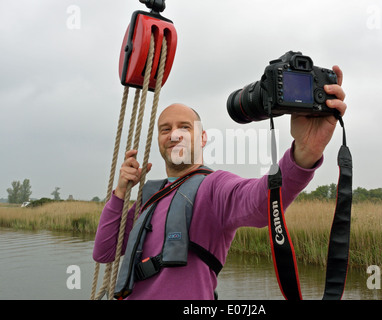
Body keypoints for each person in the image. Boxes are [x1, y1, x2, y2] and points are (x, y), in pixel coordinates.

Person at [93, 66, 347, 299]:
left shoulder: (214, 187)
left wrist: (305, 152)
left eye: (185, 127)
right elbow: (104, 252)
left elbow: (259, 203)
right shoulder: (149, 197)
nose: (174, 134)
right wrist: (120, 192)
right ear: (158, 139)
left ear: (202, 138)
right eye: (165, 129)